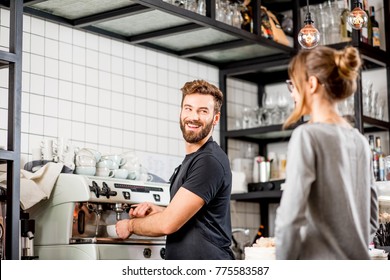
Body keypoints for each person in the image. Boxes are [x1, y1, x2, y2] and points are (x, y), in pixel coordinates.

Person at [274, 46, 378, 259]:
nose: (292, 93)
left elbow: (290, 218)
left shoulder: (307, 136)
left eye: (292, 84)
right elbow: (372, 220)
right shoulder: (360, 140)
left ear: (311, 84)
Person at [116, 79, 235, 260]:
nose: (193, 117)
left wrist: (130, 226)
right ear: (181, 112)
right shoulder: (193, 160)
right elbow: (193, 222)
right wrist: (159, 212)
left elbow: (168, 225)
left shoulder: (209, 161)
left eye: (203, 111)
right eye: (188, 108)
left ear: (215, 119)